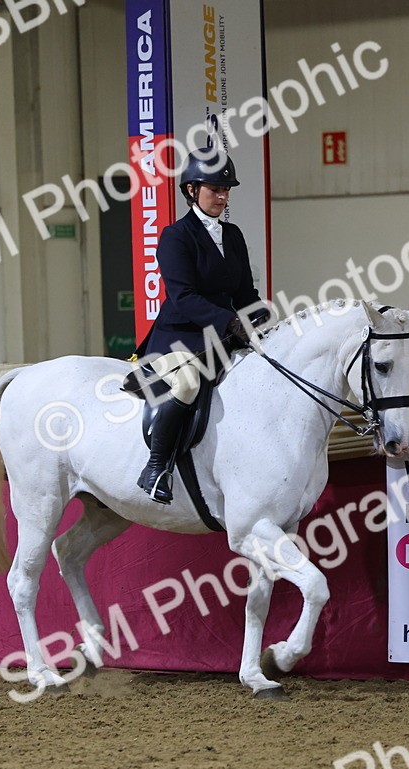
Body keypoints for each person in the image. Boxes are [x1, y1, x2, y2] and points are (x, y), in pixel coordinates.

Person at [133, 149, 269, 504]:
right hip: (180, 337)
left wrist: (261, 318)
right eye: (215, 190)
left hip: (223, 337)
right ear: (192, 190)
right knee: (188, 382)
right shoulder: (176, 236)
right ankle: (155, 468)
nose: (223, 197)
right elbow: (183, 297)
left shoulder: (233, 235)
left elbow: (244, 292)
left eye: (227, 190)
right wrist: (230, 320)